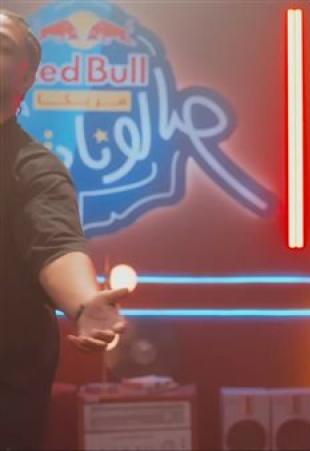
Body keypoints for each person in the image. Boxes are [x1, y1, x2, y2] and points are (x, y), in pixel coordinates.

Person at [0, 10, 129, 448]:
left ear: (27, 77)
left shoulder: (32, 170)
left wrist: (84, 302)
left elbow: (55, 243)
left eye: (2, 47)